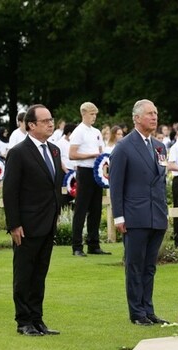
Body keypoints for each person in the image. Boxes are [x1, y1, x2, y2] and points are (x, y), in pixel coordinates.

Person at [3, 104, 63, 337]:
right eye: (45, 120)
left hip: (48, 222)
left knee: (40, 274)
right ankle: (24, 321)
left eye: (51, 119)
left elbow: (53, 186)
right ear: (31, 125)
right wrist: (14, 224)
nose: (50, 123)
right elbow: (10, 191)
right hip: (26, 225)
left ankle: (38, 320)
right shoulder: (19, 152)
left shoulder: (55, 150)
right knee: (24, 274)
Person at [109, 99, 169, 326]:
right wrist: (119, 216)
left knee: (150, 266)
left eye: (156, 113)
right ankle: (137, 313)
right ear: (136, 118)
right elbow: (116, 185)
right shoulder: (124, 147)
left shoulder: (160, 147)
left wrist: (163, 211)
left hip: (156, 214)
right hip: (135, 216)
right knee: (135, 266)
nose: (154, 117)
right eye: (149, 114)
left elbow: (161, 181)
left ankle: (148, 309)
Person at [69, 102, 111, 256]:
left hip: (96, 171)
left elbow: (101, 151)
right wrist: (91, 155)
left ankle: (94, 244)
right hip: (84, 171)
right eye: (92, 114)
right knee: (81, 208)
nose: (94, 117)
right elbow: (72, 154)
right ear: (84, 114)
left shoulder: (96, 132)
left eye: (95, 114)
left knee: (96, 209)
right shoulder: (79, 131)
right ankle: (77, 246)